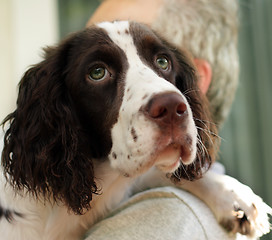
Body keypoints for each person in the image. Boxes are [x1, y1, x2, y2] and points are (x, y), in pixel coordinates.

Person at [84, 0, 240, 239]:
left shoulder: (159, 224)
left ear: (193, 83)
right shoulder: (217, 206)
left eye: (161, 62)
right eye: (96, 71)